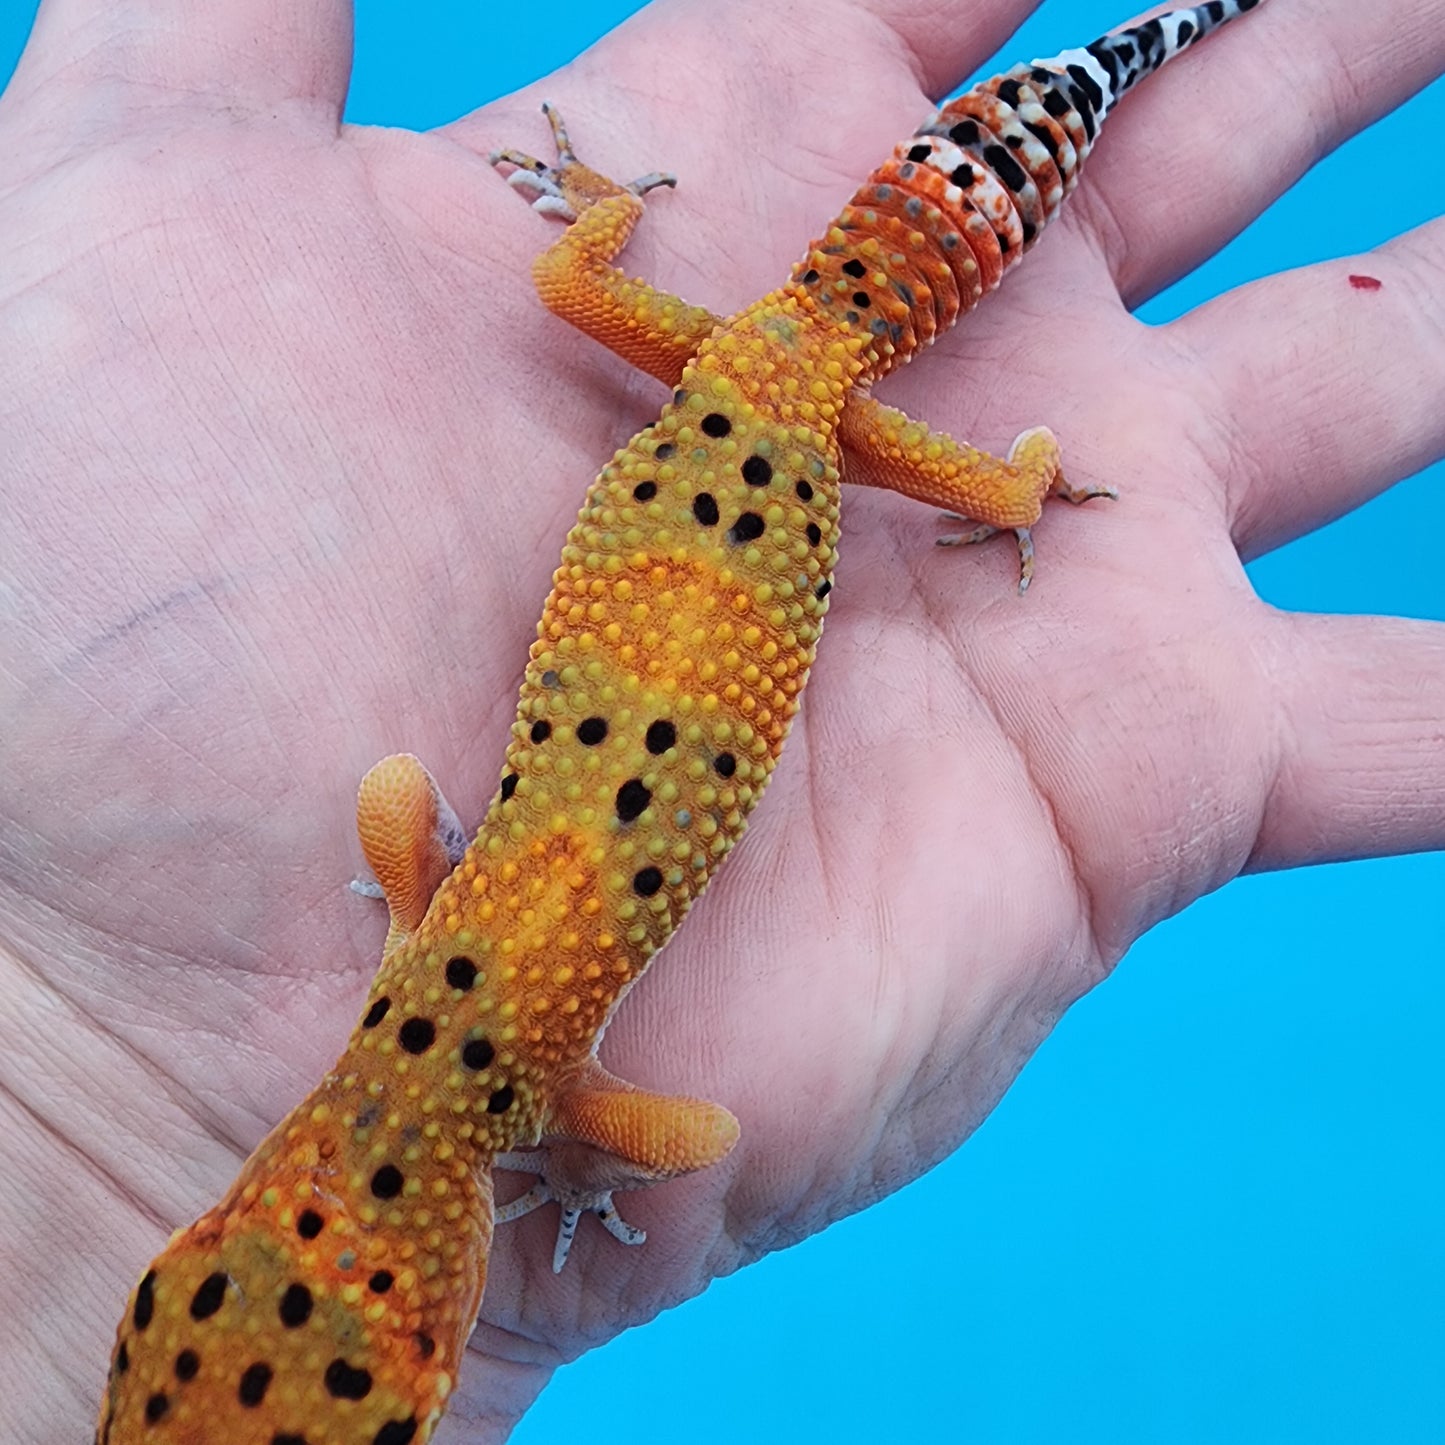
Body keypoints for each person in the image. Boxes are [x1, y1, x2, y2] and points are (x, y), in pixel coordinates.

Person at [1, 1, 1441, 1439]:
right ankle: (986, 327)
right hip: (742, 401)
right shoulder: (424, 967)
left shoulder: (550, 1097)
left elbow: (692, 1139)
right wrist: (421, 917)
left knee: (978, 469)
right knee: (655, 313)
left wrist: (566, 1167)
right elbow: (392, 799)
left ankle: (1014, 471)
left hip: (787, 428)